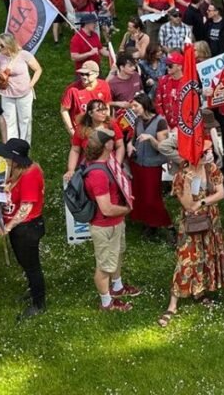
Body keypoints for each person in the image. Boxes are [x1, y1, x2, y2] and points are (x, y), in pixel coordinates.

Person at [158, 140, 224, 328]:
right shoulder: (181, 175)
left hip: (210, 220)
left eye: (210, 150)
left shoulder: (211, 168)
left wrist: (203, 202)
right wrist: (189, 182)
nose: (210, 154)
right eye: (206, 151)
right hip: (191, 225)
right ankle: (172, 305)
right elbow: (188, 205)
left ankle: (199, 291)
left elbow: (221, 193)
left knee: (207, 256)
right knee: (186, 259)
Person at [83, 129, 139, 312]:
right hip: (105, 226)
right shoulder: (98, 174)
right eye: (112, 140)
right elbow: (106, 208)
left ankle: (117, 287)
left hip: (116, 223)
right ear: (106, 145)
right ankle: (106, 303)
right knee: (105, 266)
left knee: (117, 255)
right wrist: (128, 209)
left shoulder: (107, 160)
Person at [0, 138, 46, 321]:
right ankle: (32, 290)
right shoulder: (18, 170)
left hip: (27, 228)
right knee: (24, 263)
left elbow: (26, 208)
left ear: (16, 160)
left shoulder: (30, 174)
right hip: (19, 227)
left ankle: (39, 303)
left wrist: (7, 227)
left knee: (32, 267)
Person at [127, 93, 172, 240]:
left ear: (145, 105)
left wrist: (151, 138)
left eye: (136, 106)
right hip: (138, 163)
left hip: (152, 165)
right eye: (132, 106)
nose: (133, 109)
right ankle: (149, 224)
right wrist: (130, 145)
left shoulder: (160, 122)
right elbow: (134, 138)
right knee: (140, 195)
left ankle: (168, 226)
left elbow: (163, 147)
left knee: (152, 198)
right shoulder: (138, 120)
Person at [0, 33, 42, 143]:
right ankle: (12, 145)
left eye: (2, 45)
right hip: (6, 93)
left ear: (9, 44)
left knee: (25, 120)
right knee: (8, 120)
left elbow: (38, 69)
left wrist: (31, 85)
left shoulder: (24, 55)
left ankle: (24, 145)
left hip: (23, 93)